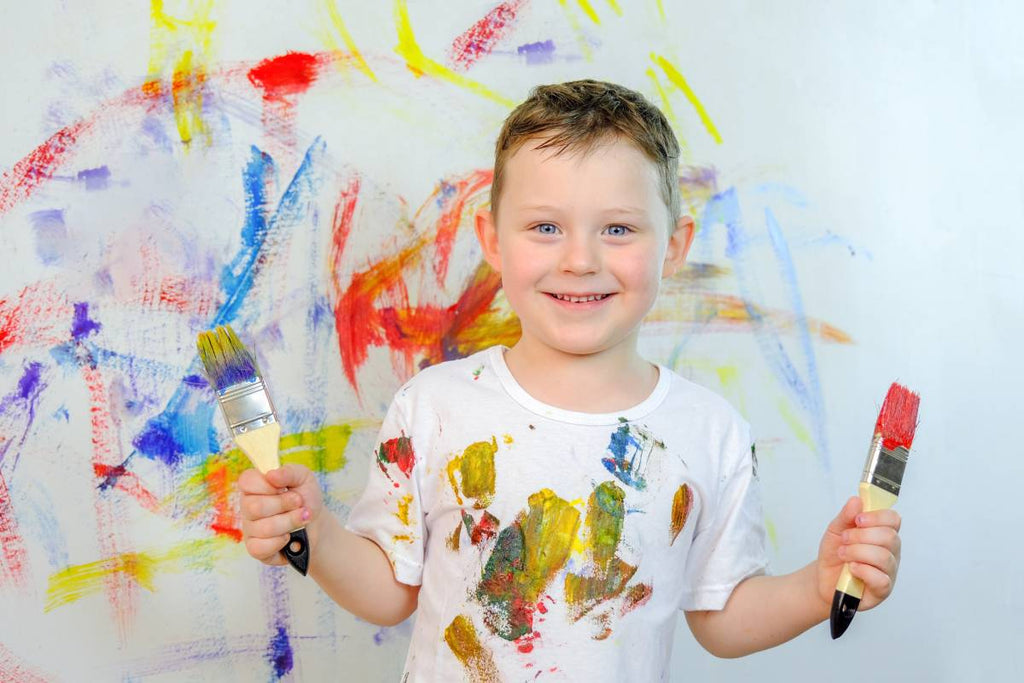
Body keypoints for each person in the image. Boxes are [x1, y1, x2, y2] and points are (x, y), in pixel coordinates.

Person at [237, 80, 902, 681]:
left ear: (674, 244)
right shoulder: (433, 407)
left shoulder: (710, 431)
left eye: (618, 228)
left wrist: (819, 587)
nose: (580, 259)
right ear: (493, 239)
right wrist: (316, 534)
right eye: (545, 227)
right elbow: (388, 592)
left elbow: (723, 618)